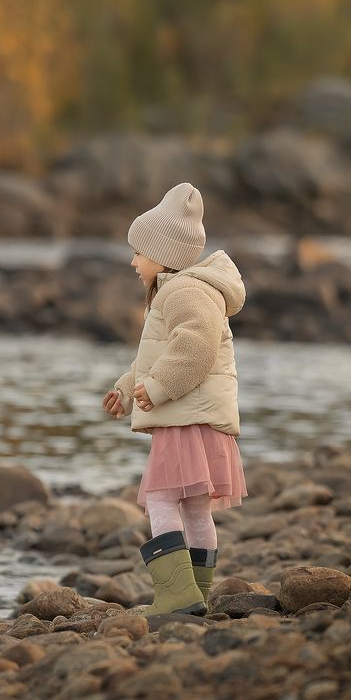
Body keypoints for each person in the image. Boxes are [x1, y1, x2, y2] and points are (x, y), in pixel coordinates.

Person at [102, 182, 248, 621]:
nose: (133, 261)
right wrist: (128, 390)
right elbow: (158, 358)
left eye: (138, 252)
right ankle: (196, 594)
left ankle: (177, 595)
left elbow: (194, 349)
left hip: (186, 419)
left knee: (162, 500)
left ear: (163, 253)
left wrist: (160, 389)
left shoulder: (184, 292)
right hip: (199, 417)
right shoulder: (184, 290)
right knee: (196, 507)